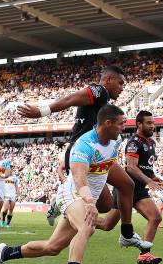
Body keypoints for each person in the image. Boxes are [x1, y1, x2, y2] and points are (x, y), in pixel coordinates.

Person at [0, 104, 148, 264]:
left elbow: (107, 168)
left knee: (52, 247)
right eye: (121, 124)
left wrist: (120, 191)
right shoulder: (84, 145)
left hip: (86, 198)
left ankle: (5, 252)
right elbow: (80, 179)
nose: (124, 128)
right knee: (87, 227)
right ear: (107, 123)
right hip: (72, 194)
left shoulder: (116, 140)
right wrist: (90, 202)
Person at [20, 66, 126, 222]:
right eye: (121, 83)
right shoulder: (100, 91)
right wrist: (42, 111)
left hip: (91, 152)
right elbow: (71, 99)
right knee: (124, 187)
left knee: (106, 204)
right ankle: (62, 200)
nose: (122, 88)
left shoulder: (103, 99)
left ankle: (63, 202)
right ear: (109, 79)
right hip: (83, 153)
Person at [98, 110, 163, 264]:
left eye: (153, 123)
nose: (152, 126)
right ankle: (79, 219)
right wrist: (149, 180)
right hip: (126, 188)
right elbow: (131, 167)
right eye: (149, 123)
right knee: (107, 225)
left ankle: (145, 254)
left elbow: (144, 167)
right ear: (139, 124)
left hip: (139, 189)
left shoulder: (151, 143)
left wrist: (153, 177)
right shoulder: (134, 142)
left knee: (155, 217)